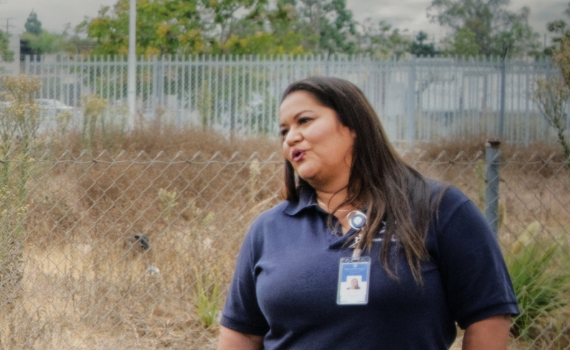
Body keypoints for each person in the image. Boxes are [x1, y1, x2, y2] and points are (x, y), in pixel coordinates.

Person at [218, 76, 518, 350]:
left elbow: (489, 316)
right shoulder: (269, 229)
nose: (291, 138)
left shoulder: (440, 209)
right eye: (284, 131)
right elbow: (242, 334)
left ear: (353, 125)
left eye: (304, 121)